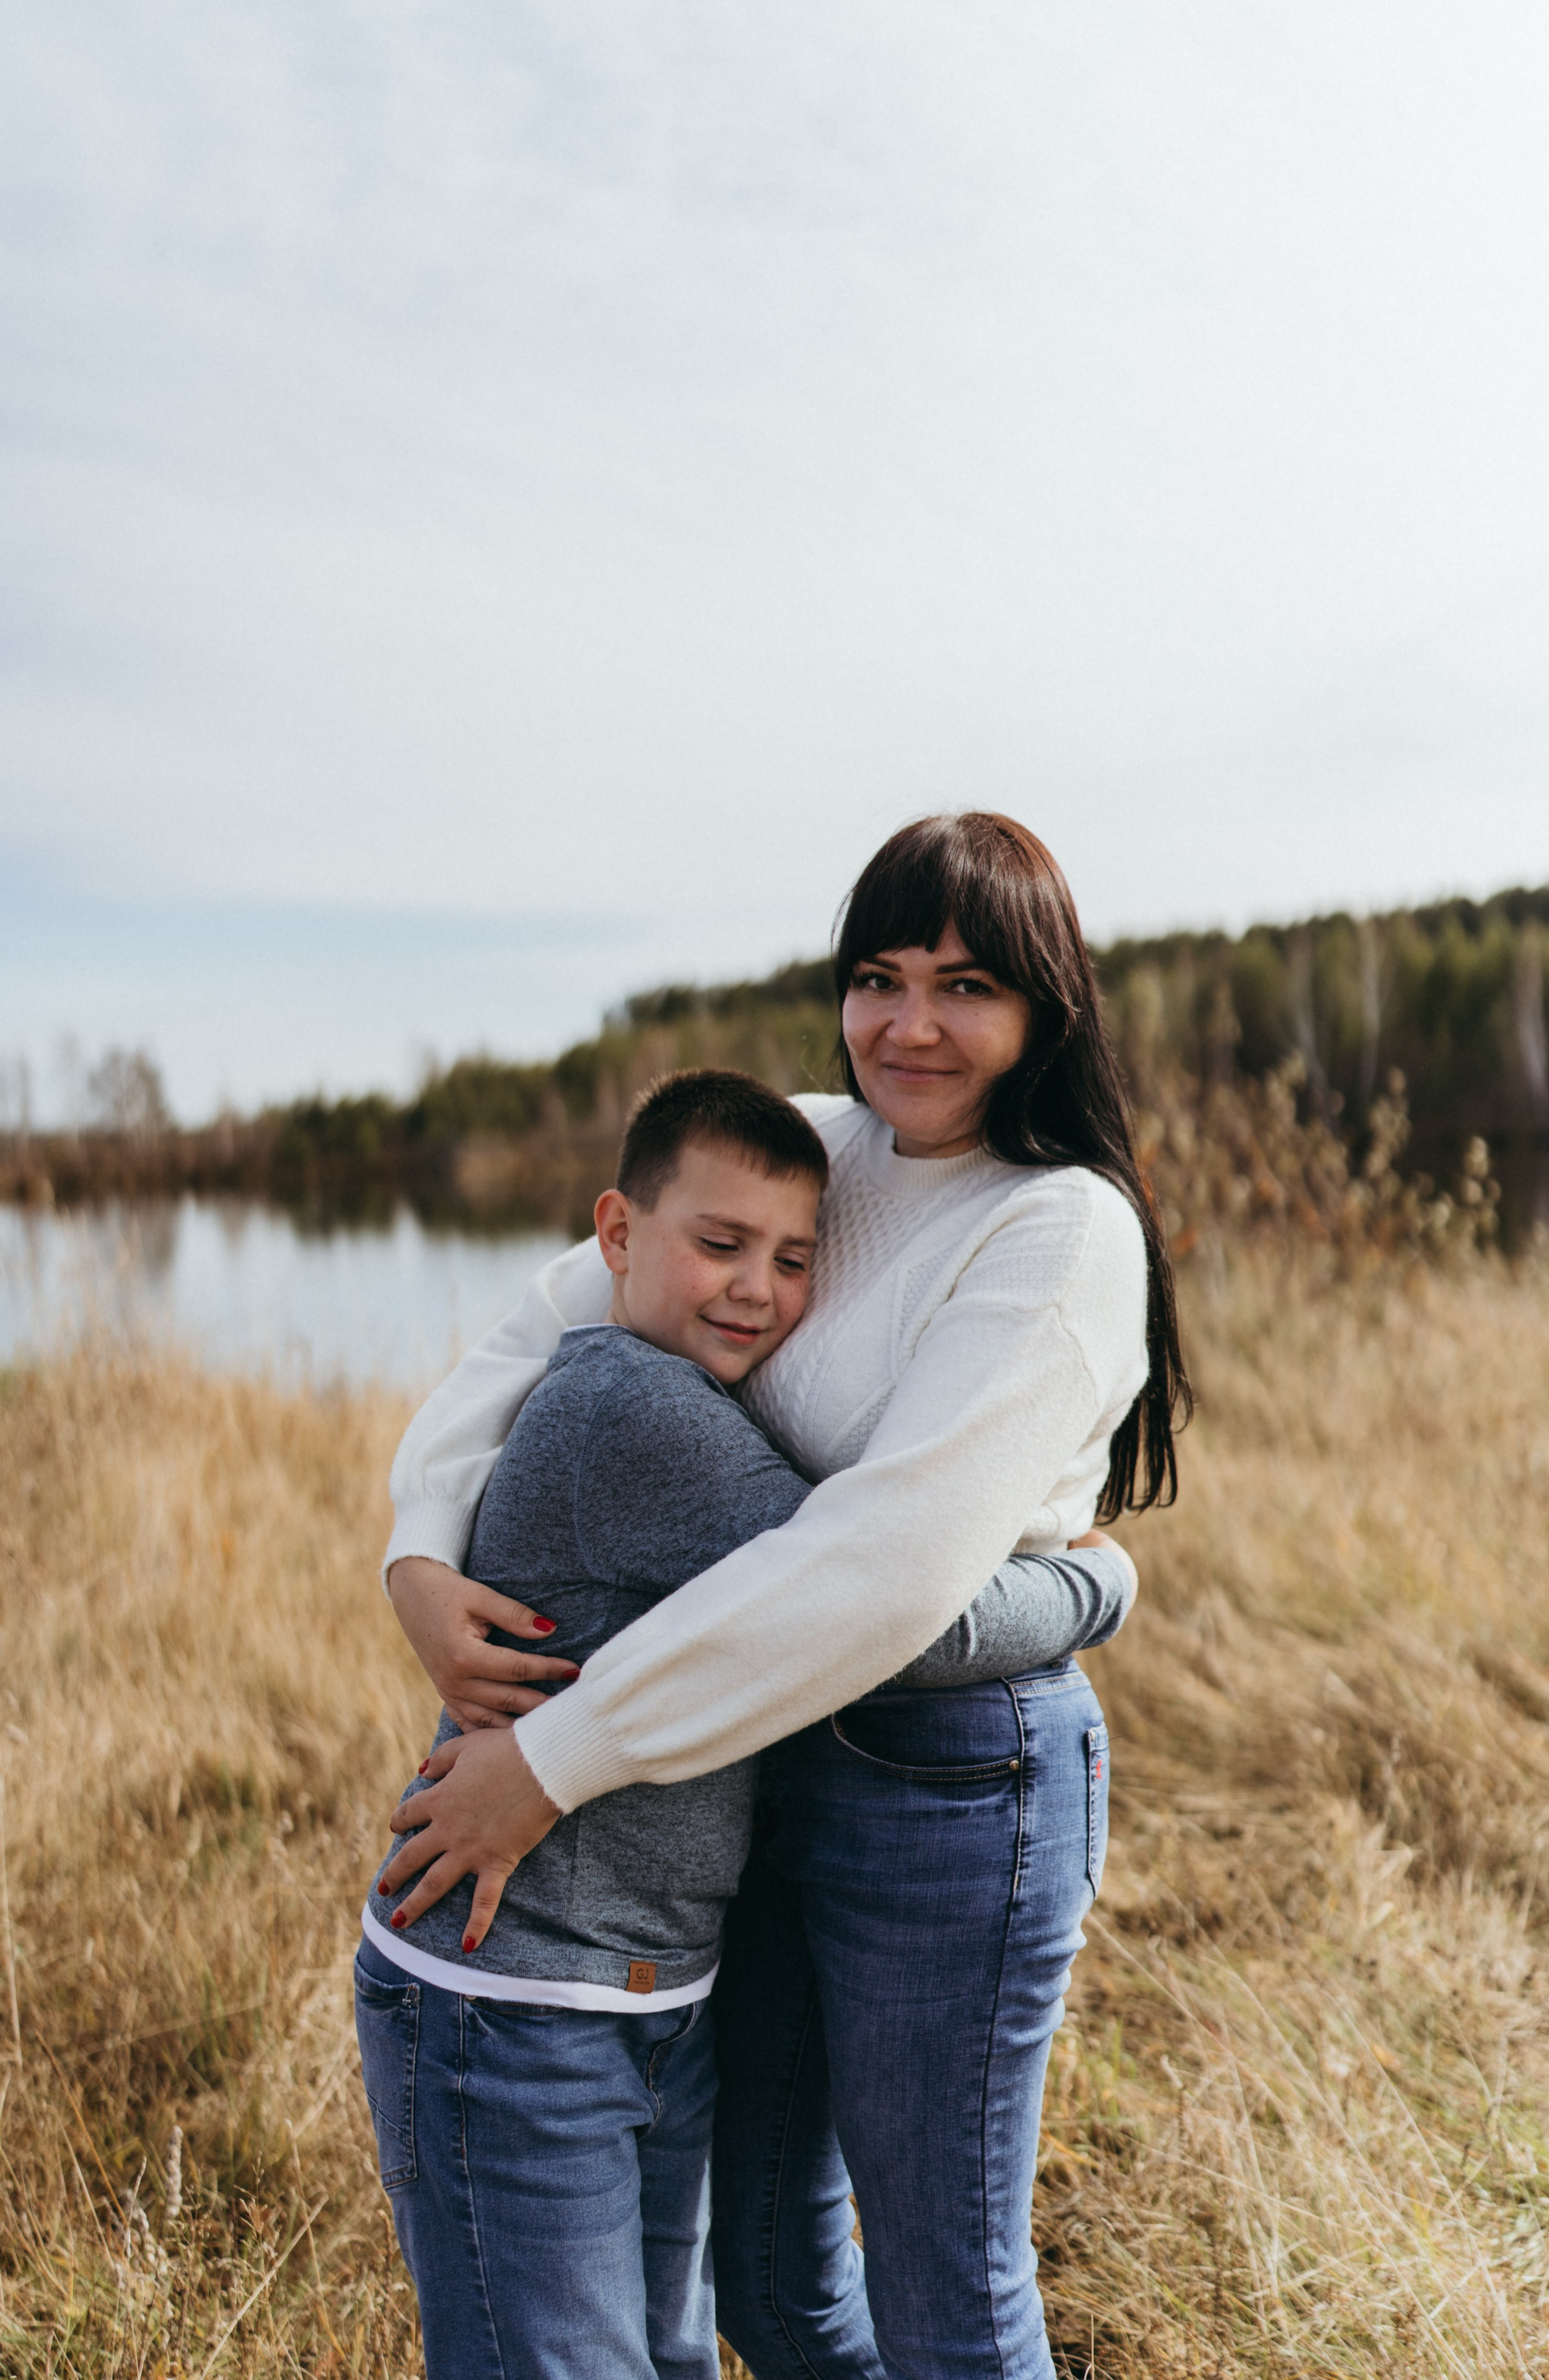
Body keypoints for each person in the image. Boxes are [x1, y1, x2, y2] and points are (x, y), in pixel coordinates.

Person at [377, 812, 1190, 2380]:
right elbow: (548, 1322)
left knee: (945, 2298)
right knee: (768, 2278)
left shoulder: (1060, 1226)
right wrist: (420, 1549)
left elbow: (878, 1579)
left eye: (963, 986)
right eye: (876, 978)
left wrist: (551, 1762)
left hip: (949, 1790)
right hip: (755, 1761)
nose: (908, 1025)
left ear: (1044, 1005)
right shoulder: (811, 1148)